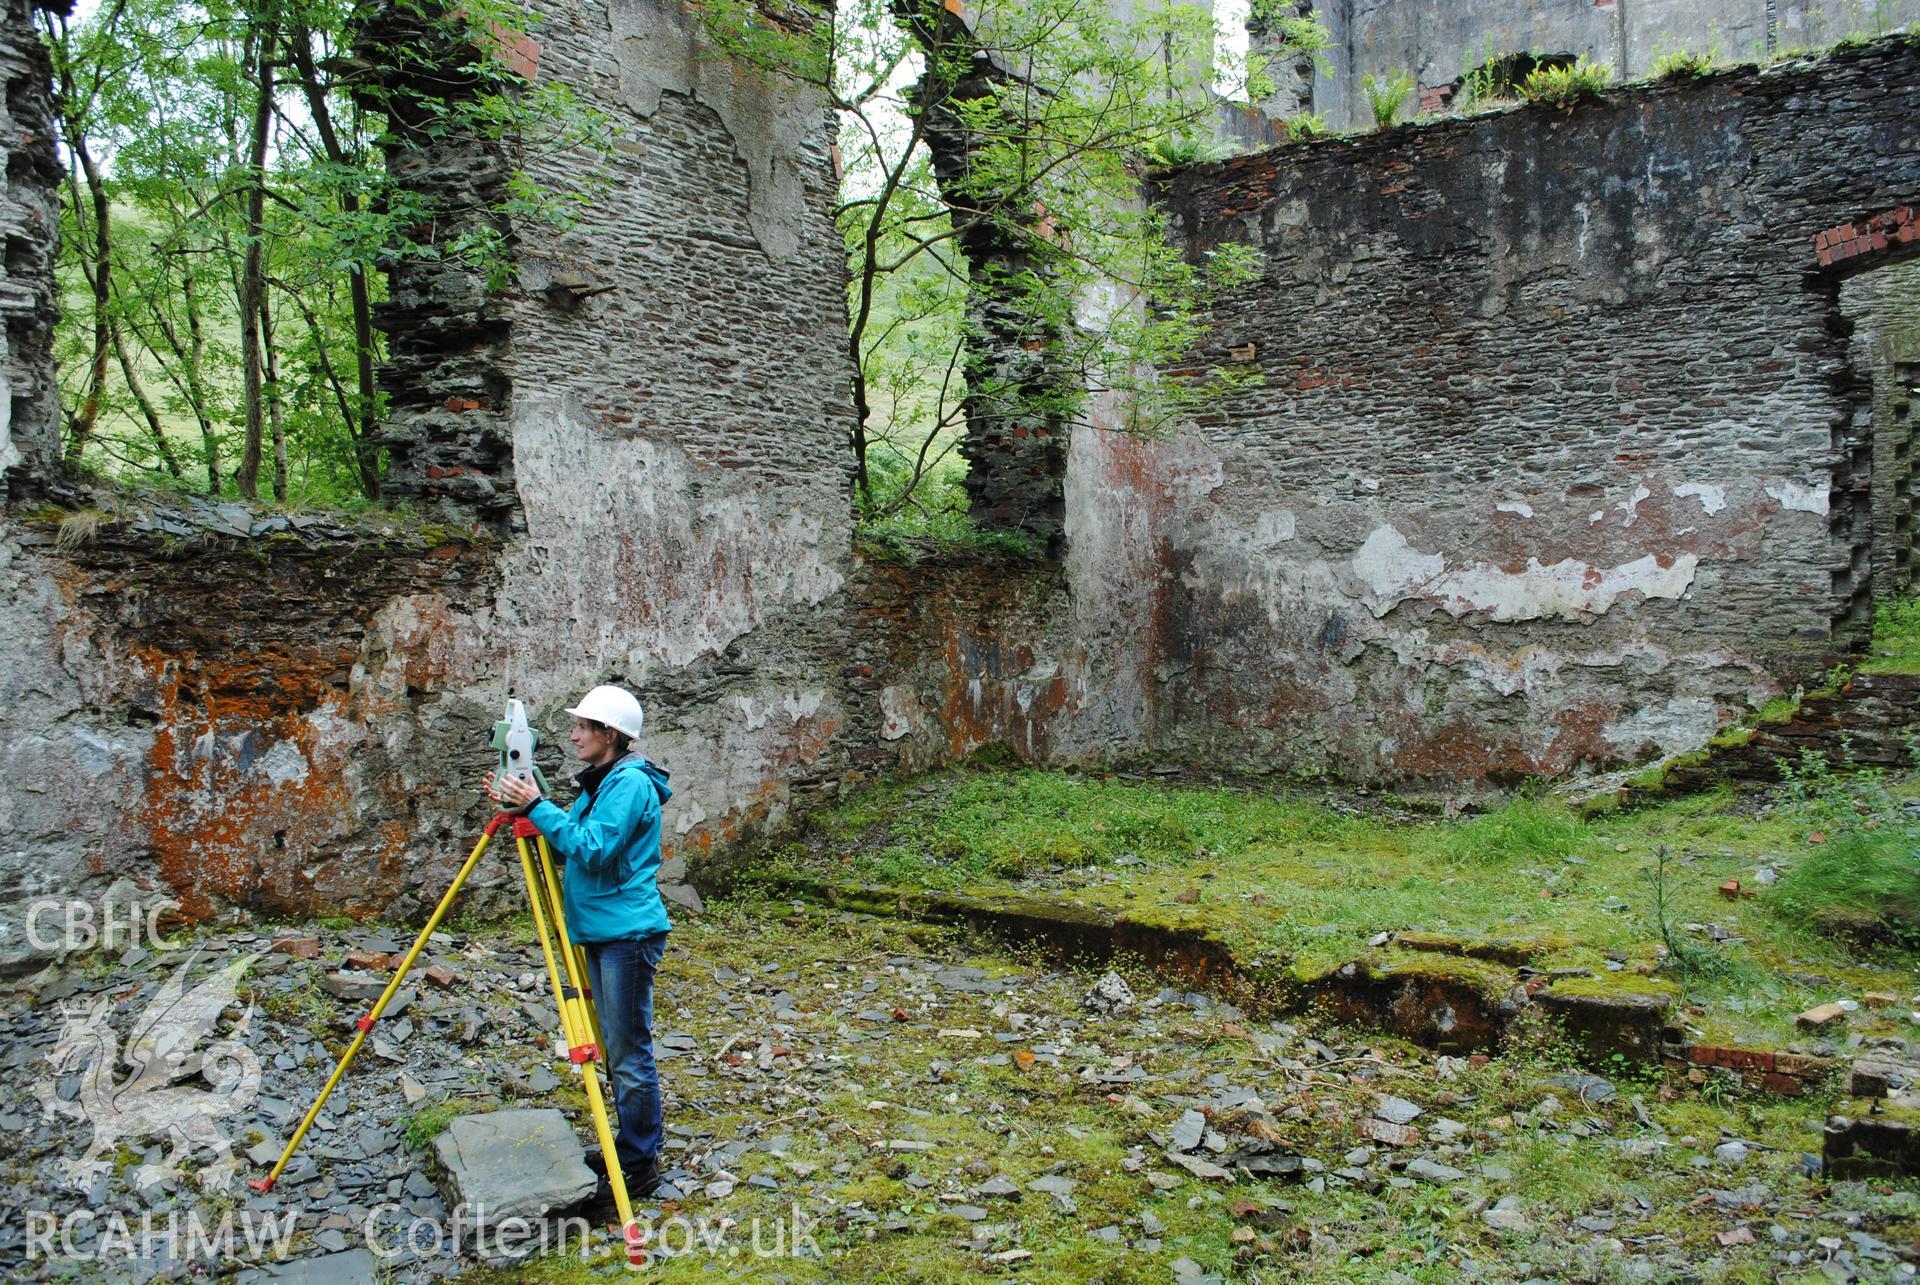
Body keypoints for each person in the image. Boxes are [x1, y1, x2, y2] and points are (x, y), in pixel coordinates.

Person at [483, 684, 674, 1199]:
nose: (573, 735)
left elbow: (592, 849)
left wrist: (538, 805)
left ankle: (639, 1163)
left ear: (609, 734)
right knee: (616, 1047)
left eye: (583, 727)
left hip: (626, 934)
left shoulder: (628, 784)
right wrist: (524, 803)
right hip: (603, 930)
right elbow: (572, 833)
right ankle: (627, 1145)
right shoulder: (604, 780)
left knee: (629, 1052)